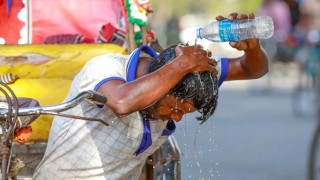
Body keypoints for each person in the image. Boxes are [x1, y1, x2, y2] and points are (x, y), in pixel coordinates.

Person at [33, 12, 268, 179]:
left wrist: (252, 47)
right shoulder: (104, 68)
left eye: (184, 113)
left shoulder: (190, 77)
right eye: (176, 108)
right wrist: (182, 65)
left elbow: (253, 69)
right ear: (165, 81)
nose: (176, 118)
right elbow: (123, 102)